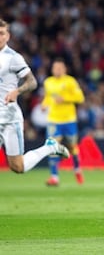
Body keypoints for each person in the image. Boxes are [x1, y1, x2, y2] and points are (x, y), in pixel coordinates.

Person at [0, 19, 69, 174]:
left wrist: (17, 91)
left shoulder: (13, 58)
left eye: (2, 33)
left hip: (9, 118)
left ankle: (50, 147)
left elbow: (32, 82)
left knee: (18, 167)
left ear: (8, 36)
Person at [42, 58, 85, 186]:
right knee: (52, 147)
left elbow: (80, 98)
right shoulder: (48, 82)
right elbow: (48, 98)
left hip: (69, 120)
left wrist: (65, 98)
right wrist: (44, 104)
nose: (57, 70)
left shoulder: (70, 81)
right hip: (53, 120)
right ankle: (54, 177)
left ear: (65, 69)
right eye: (55, 68)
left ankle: (77, 169)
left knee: (72, 147)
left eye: (60, 68)